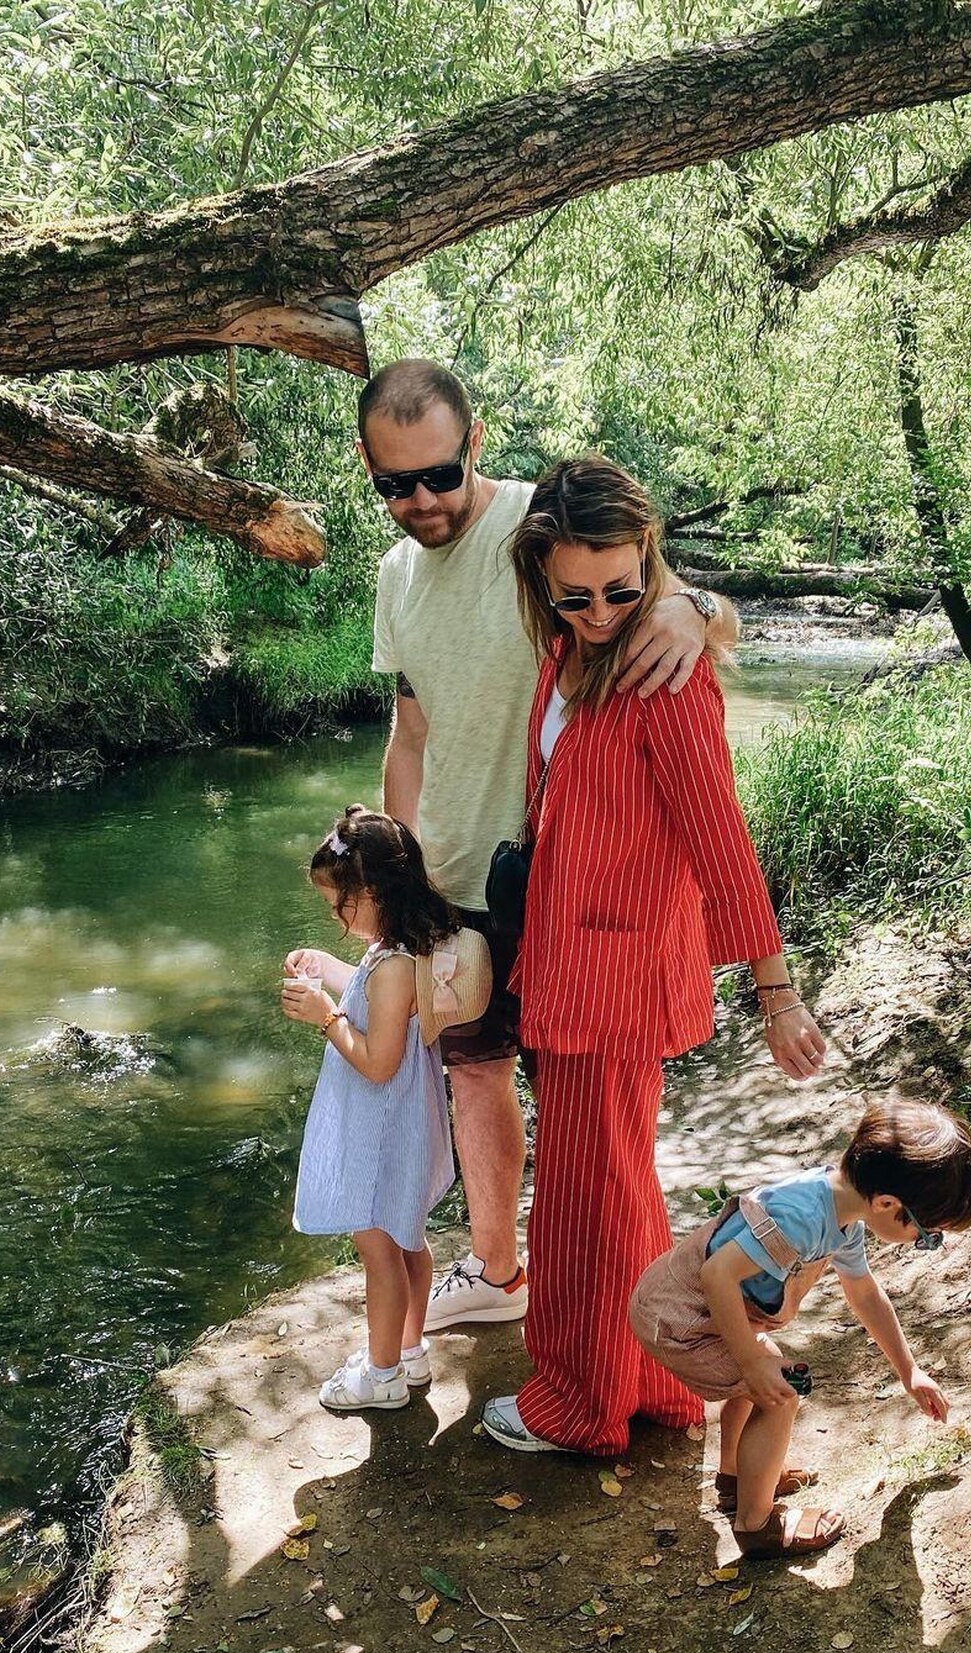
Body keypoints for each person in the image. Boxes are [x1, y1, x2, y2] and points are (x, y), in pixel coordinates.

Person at [363, 359, 734, 1330]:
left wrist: (692, 610)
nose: (423, 501)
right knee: (473, 1072)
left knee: (586, 1101)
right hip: (447, 881)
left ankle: (618, 1302)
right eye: (394, 484)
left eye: (439, 474)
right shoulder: (395, 575)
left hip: (562, 881)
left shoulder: (539, 526)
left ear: (474, 442)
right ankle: (498, 1271)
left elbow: (681, 601)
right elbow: (410, 730)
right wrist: (393, 877)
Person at [478, 455, 827, 1457]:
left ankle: (578, 1404)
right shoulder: (566, 650)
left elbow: (721, 837)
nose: (601, 610)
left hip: (613, 982)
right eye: (575, 592)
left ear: (651, 561)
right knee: (617, 1182)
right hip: (566, 960)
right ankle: (654, 1384)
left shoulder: (670, 680)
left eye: (624, 589)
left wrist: (777, 990)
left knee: (588, 1196)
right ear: (543, 580)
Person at [629, 1096, 971, 1558]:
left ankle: (738, 1478)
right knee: (778, 1394)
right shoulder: (801, 1218)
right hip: (680, 1321)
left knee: (761, 1379)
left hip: (690, 1310)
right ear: (887, 1203)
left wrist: (909, 1371)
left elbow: (864, 1294)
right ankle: (757, 1525)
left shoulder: (844, 1213)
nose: (924, 1242)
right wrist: (750, 1360)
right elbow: (716, 1275)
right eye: (929, 1234)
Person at [282, 805, 460, 1413]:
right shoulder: (399, 950)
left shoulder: (391, 967)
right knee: (408, 1239)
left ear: (375, 893)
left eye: (341, 906)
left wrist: (325, 1017)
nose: (336, 918)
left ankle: (380, 1374)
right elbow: (373, 989)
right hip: (403, 1125)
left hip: (380, 1129)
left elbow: (379, 1061)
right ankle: (408, 1352)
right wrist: (327, 971)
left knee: (379, 1252)